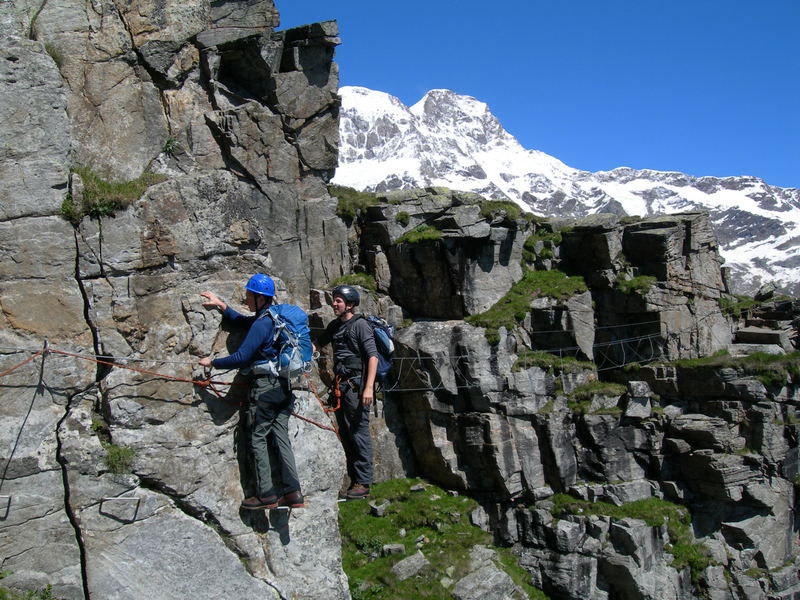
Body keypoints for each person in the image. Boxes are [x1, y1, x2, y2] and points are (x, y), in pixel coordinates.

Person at [198, 274, 304, 510]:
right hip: (284, 387)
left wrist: (212, 363)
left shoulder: (262, 323)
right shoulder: (273, 318)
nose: (245, 298)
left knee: (257, 436)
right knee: (280, 436)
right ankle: (293, 492)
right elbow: (244, 322)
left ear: (259, 297)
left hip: (265, 388)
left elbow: (242, 357)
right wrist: (222, 306)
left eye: (248, 295)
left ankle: (266, 494)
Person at [313, 285, 379, 500]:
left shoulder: (360, 325)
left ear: (349, 304)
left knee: (359, 432)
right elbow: (318, 344)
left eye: (339, 301)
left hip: (357, 387)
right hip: (341, 385)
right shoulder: (335, 325)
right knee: (348, 432)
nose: (334, 304)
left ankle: (364, 482)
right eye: (334, 300)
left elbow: (372, 357)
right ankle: (355, 480)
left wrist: (368, 387)